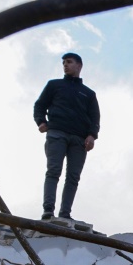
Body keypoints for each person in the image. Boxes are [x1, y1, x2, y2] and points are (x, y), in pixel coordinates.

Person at [33, 52, 100, 221]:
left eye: (69, 62)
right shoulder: (54, 85)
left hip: (79, 139)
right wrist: (41, 121)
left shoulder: (88, 94)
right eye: (64, 62)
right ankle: (48, 210)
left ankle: (65, 213)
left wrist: (92, 135)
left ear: (79, 65)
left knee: (73, 177)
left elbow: (95, 117)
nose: (65, 65)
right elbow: (40, 105)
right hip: (57, 133)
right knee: (53, 171)